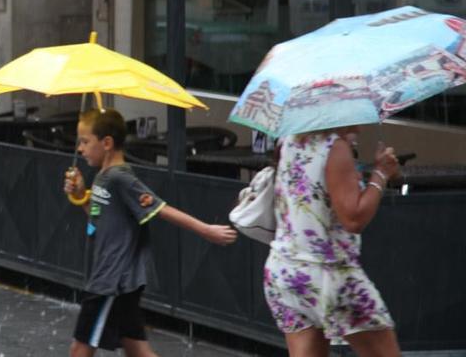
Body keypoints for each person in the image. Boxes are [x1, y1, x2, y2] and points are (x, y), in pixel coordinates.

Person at [63, 108, 237, 357]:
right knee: (137, 349)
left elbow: (162, 209)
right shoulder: (103, 176)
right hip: (116, 276)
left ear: (107, 143)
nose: (80, 149)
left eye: (85, 141)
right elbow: (98, 220)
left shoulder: (121, 178)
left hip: (112, 280)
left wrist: (206, 230)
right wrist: (80, 195)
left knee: (80, 348)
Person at [263, 126, 401, 356]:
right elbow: (353, 218)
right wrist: (381, 174)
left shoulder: (289, 140)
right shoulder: (334, 148)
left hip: (286, 272)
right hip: (331, 276)